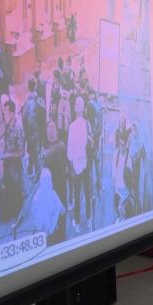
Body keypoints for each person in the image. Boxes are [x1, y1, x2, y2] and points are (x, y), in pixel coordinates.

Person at [67, 96, 92, 233]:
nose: (77, 105)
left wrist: (90, 140)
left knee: (87, 193)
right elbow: (69, 148)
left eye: (80, 103)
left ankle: (88, 218)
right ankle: (77, 220)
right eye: (76, 103)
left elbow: (91, 143)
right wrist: (72, 163)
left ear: (83, 108)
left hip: (85, 165)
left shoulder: (87, 124)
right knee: (77, 194)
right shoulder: (71, 126)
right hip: (76, 165)